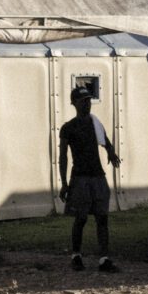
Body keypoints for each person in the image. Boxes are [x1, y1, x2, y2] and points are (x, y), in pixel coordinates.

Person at [59, 85, 121, 272]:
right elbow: (63, 156)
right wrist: (64, 183)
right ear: (74, 103)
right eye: (82, 101)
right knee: (81, 218)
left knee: (102, 218)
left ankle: (104, 259)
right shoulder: (69, 127)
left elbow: (106, 142)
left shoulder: (95, 123)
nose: (87, 105)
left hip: (97, 176)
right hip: (80, 177)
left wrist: (111, 153)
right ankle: (76, 256)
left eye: (88, 101)